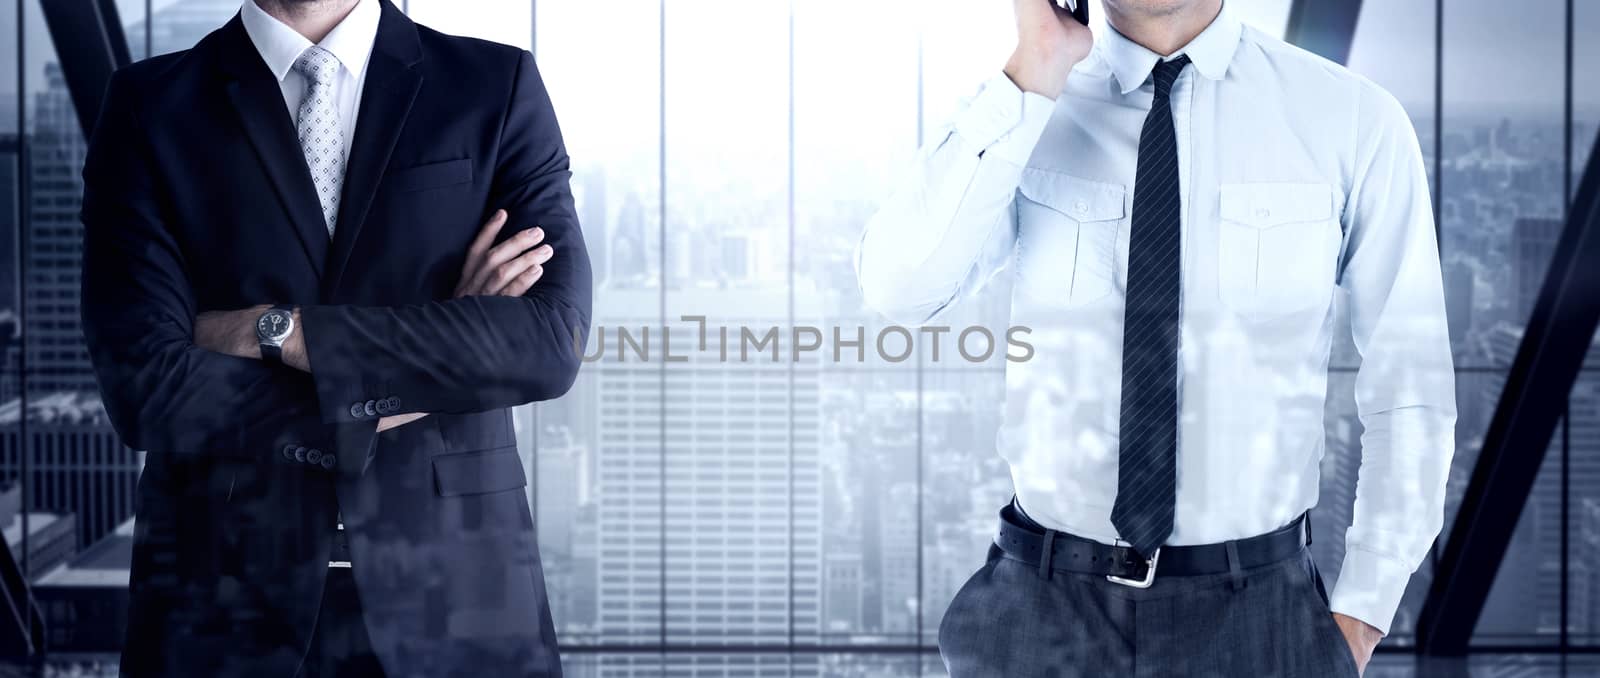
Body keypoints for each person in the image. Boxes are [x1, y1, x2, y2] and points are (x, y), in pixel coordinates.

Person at [857, 0, 1455, 675]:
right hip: (1039, 609)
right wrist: (1035, 65)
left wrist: (1359, 618)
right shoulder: (1025, 106)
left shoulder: (1351, 120)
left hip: (1261, 618)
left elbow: (1412, 388)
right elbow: (900, 289)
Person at [79, 0, 591, 675]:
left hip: (464, 601)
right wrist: (440, 360)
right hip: (217, 608)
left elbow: (547, 341)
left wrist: (277, 331)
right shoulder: (150, 106)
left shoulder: (494, 85)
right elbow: (148, 386)